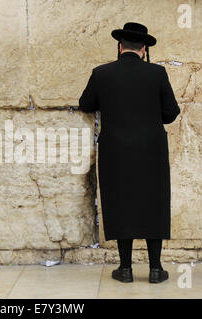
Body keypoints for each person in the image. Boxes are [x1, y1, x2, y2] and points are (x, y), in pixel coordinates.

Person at [79, 22, 180, 283]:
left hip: (116, 151)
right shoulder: (157, 74)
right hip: (151, 150)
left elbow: (86, 103)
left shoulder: (102, 73)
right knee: (153, 203)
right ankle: (156, 269)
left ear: (120, 46)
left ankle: (125, 269)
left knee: (120, 202)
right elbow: (171, 113)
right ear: (144, 49)